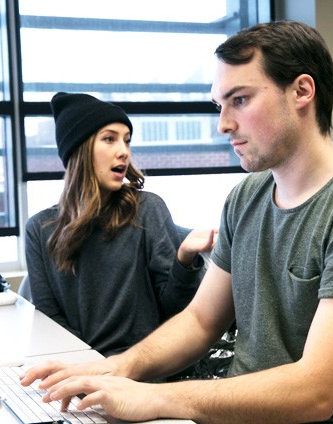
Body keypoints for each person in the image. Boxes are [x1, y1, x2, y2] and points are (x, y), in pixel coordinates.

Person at [20, 21, 333, 423]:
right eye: (219, 105)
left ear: (302, 91)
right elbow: (199, 321)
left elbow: (314, 392)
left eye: (240, 100)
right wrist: (119, 368)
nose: (223, 124)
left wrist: (156, 399)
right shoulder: (245, 198)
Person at [25, 92, 216, 357]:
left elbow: (175, 312)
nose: (124, 151)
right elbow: (50, 321)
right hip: (80, 369)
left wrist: (184, 259)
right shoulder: (39, 229)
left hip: (144, 370)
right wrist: (87, 369)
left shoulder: (148, 209)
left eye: (127, 141)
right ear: (79, 150)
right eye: (109, 139)